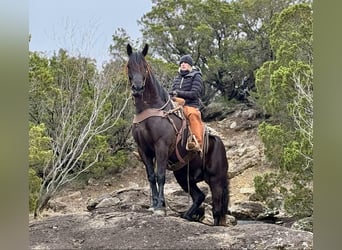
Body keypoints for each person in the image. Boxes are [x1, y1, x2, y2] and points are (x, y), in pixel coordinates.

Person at [169, 54, 204, 153]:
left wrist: (178, 93)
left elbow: (195, 93)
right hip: (176, 105)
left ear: (190, 65)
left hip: (190, 104)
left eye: (186, 63)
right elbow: (172, 92)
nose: (183, 64)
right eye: (182, 63)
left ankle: (197, 142)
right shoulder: (177, 78)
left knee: (192, 114)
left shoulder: (196, 76)